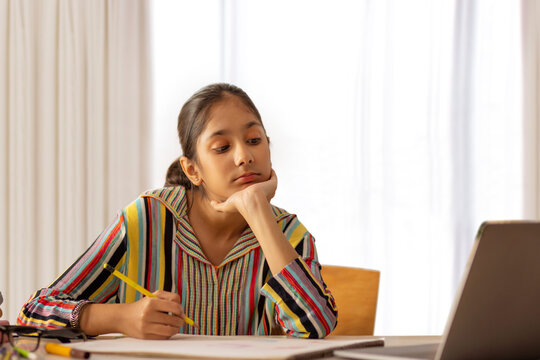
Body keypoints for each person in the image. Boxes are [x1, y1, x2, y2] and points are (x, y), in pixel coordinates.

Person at [17, 83, 337, 339]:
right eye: (223, 147)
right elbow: (33, 312)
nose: (244, 156)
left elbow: (315, 325)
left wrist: (258, 212)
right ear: (192, 169)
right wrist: (121, 317)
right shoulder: (145, 219)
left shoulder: (290, 234)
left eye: (254, 140)